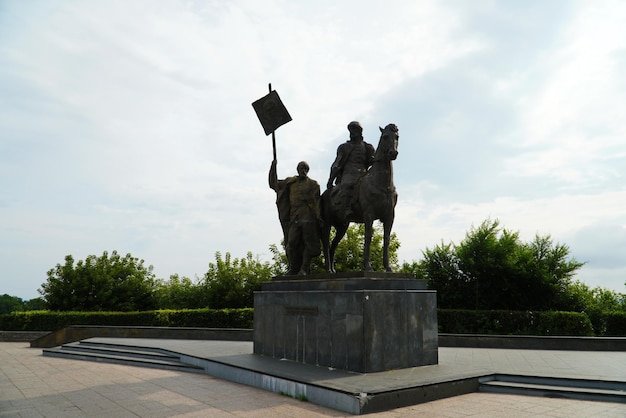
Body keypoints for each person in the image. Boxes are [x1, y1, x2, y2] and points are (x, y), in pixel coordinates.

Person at [269, 160, 321, 275]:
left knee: (309, 243)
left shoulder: (313, 184)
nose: (303, 170)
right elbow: (274, 184)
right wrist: (273, 167)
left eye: (305, 168)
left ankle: (304, 268)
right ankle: (293, 267)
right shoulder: (290, 182)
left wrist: (319, 217)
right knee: (291, 243)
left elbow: (317, 203)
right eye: (301, 168)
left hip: (308, 218)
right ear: (297, 169)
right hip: (294, 218)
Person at [326, 121, 375, 219]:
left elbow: (372, 161)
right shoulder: (344, 147)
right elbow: (337, 163)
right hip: (348, 172)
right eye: (351, 130)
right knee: (347, 184)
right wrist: (331, 180)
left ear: (360, 131)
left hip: (363, 173)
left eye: (354, 129)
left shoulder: (368, 147)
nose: (352, 132)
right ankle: (346, 209)